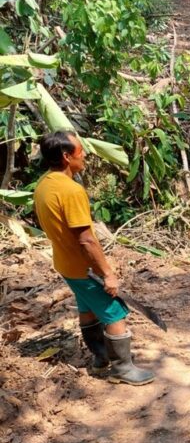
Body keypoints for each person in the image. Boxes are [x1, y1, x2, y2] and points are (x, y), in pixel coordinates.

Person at [33, 131, 155, 386]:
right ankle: (123, 369)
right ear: (67, 157)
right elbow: (86, 239)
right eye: (80, 151)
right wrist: (107, 273)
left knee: (88, 309)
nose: (84, 155)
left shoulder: (44, 184)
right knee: (114, 313)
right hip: (83, 267)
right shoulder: (71, 190)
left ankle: (100, 361)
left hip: (66, 263)